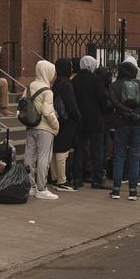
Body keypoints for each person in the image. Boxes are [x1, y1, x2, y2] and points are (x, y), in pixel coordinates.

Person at [108, 61, 140, 200]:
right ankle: (132, 191)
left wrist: (126, 111)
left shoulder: (115, 85)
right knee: (134, 155)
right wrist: (136, 113)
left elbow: (114, 102)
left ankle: (116, 190)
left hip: (121, 123)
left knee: (119, 156)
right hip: (137, 124)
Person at [23, 60, 60, 200]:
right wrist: (56, 125)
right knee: (44, 157)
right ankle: (42, 188)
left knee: (29, 155)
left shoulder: (29, 86)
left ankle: (30, 186)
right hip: (45, 128)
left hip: (30, 126)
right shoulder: (47, 91)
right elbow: (48, 112)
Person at [71, 56, 109, 189]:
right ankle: (97, 179)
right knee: (96, 150)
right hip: (96, 120)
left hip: (80, 120)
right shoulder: (96, 80)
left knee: (79, 149)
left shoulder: (74, 80)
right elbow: (103, 101)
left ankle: (77, 178)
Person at [51, 58, 82, 192]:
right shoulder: (66, 83)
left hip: (58, 119)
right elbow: (71, 105)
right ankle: (62, 180)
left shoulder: (56, 82)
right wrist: (78, 118)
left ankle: (54, 177)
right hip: (67, 120)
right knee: (63, 152)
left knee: (56, 149)